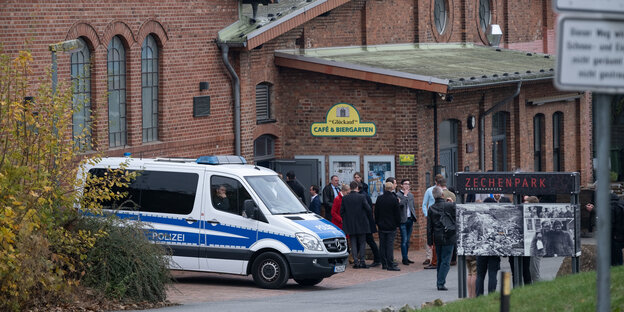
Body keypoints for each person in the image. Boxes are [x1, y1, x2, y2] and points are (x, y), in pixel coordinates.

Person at [427, 186, 456, 291]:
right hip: (449, 235)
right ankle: (440, 282)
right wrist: (452, 202)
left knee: (439, 260)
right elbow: (459, 212)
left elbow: (429, 226)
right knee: (446, 260)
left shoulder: (431, 208)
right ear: (442, 195)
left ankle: (439, 280)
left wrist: (429, 241)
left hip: (437, 237)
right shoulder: (449, 206)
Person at [341, 181, 373, 269]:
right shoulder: (361, 197)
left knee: (353, 243)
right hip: (362, 223)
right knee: (362, 242)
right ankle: (362, 261)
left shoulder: (345, 198)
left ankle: (356, 261)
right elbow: (368, 209)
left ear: (350, 188)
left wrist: (347, 219)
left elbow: (342, 212)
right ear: (357, 187)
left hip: (350, 224)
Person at [375, 182, 402, 271]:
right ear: (392, 189)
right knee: (389, 245)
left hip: (382, 225)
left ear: (385, 188)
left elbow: (376, 212)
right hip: (391, 225)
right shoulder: (394, 199)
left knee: (382, 245)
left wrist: (377, 222)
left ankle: (384, 263)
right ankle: (390, 264)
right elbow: (397, 213)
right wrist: (397, 223)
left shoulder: (379, 198)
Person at [422, 174, 445, 269]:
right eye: (438, 181)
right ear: (435, 181)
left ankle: (437, 258)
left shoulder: (444, 191)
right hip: (431, 215)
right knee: (430, 234)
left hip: (441, 216)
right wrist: (427, 215)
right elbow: (424, 204)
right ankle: (428, 257)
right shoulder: (429, 190)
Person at [357, 181, 381, 267]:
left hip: (366, 223)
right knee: (369, 241)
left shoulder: (363, 196)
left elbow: (367, 210)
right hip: (367, 222)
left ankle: (377, 259)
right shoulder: (365, 195)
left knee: (370, 241)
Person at [397, 179, 417, 265]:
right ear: (401, 185)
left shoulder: (411, 195)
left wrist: (414, 216)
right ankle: (404, 258)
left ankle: (406, 257)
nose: (407, 186)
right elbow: (400, 205)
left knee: (408, 240)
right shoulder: (398, 195)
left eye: (408, 184)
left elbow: (412, 206)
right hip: (403, 220)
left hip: (410, 219)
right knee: (404, 240)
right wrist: (404, 195)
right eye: (405, 184)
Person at [611, 193, 624, 266]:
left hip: (615, 234)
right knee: (618, 252)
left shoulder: (612, 207)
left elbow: (611, 222)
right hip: (621, 233)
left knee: (614, 252)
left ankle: (616, 265)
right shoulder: (621, 204)